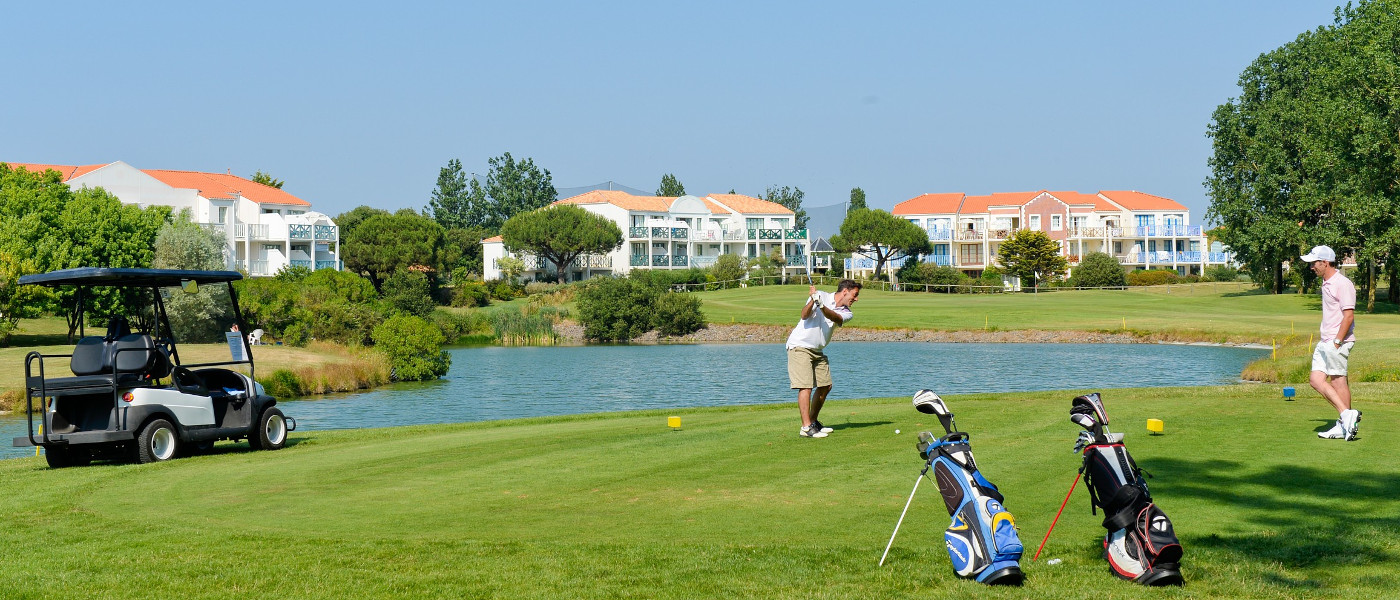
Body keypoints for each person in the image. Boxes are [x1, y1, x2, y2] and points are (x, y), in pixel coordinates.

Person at [786, 279, 861, 438]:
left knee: (825, 386)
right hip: (800, 345)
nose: (856, 299)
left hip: (817, 350)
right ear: (845, 291)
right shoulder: (820, 295)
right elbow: (804, 315)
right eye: (855, 295)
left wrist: (821, 306)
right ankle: (806, 427)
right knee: (805, 386)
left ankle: (812, 422)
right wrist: (813, 301)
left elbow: (835, 317)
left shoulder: (847, 312)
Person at [1302, 245, 1361, 440]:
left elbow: (1349, 317)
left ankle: (1345, 424)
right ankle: (1346, 416)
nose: (1312, 267)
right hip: (1325, 340)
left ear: (1325, 263)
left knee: (1338, 381)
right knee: (1315, 380)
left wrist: (1337, 341)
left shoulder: (1342, 283)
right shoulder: (1326, 283)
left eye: (1314, 263)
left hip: (1337, 341)